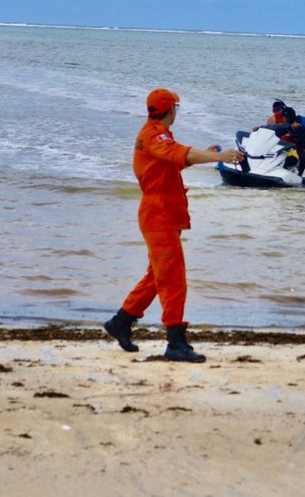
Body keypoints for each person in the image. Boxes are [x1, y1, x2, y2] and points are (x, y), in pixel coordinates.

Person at [104, 88, 246, 363]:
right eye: (177, 108)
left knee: (157, 275)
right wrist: (220, 157)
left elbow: (174, 162)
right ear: (172, 111)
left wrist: (204, 154)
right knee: (172, 278)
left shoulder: (159, 135)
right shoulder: (155, 135)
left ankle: (122, 321)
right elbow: (179, 154)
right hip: (158, 213)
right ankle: (175, 342)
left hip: (164, 212)